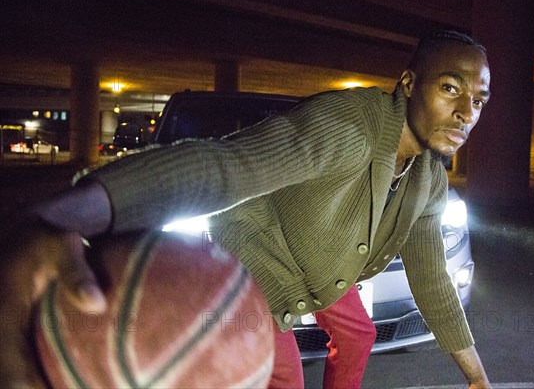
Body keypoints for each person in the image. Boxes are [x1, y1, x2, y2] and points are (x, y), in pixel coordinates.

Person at [0, 30, 492, 388]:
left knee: (360, 333)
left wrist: (478, 380)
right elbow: (228, 166)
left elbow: (432, 280)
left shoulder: (429, 176)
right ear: (409, 83)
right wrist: (60, 215)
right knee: (281, 377)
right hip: (258, 257)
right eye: (451, 88)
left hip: (319, 264)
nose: (466, 112)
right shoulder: (351, 125)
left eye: (478, 99)